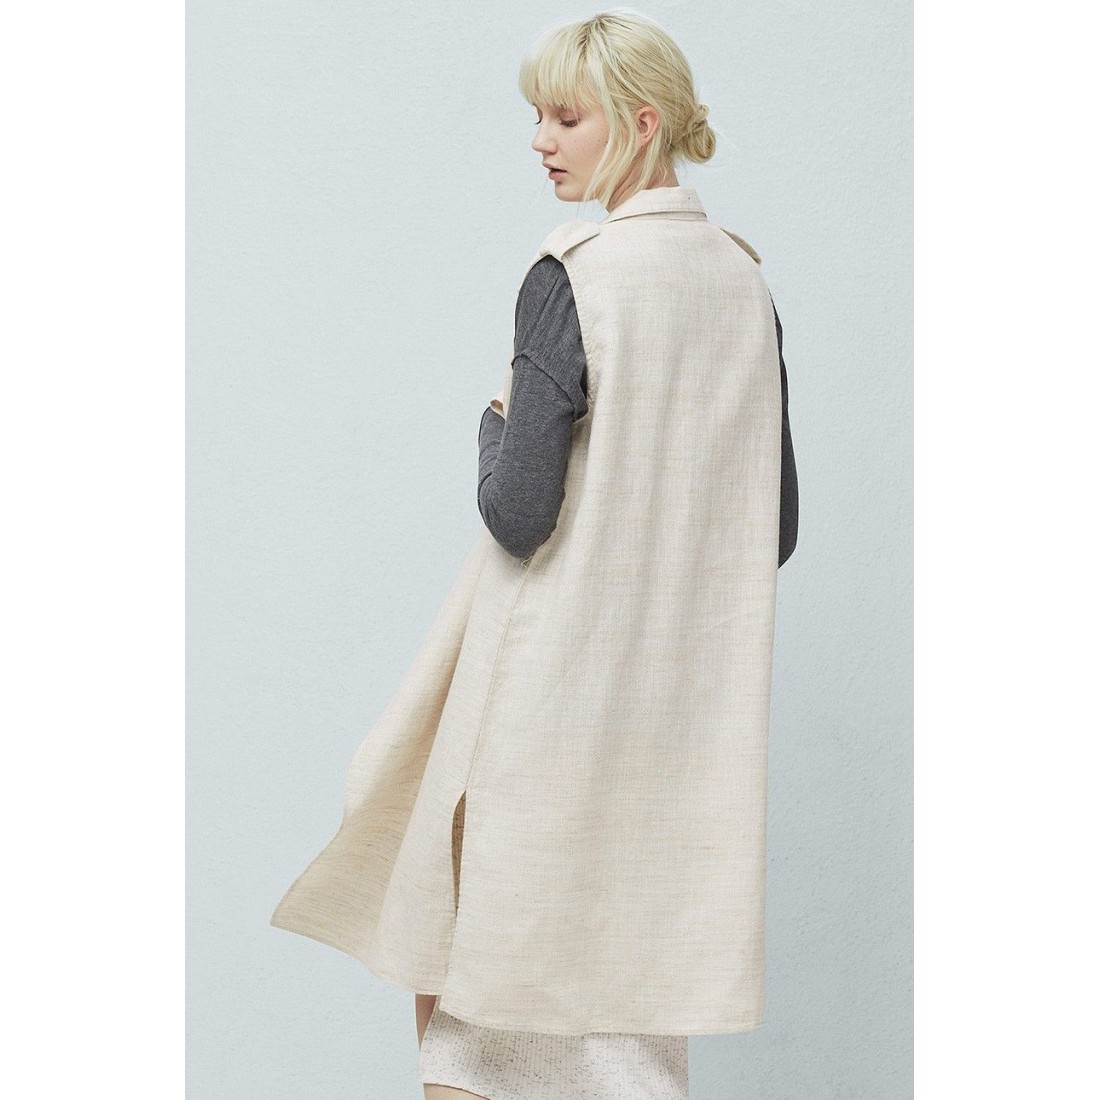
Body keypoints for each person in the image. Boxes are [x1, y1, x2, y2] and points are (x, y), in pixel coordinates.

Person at [270, 11, 798, 1100]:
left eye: (565, 118)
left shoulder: (573, 274)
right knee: (623, 1018)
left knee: (471, 990)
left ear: (640, 124)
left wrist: (493, 422)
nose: (540, 140)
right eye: (538, 117)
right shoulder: (744, 282)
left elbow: (519, 513)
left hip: (545, 701)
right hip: (671, 725)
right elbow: (773, 525)